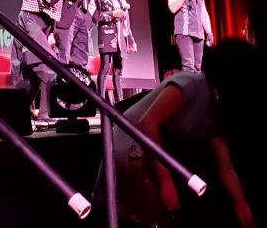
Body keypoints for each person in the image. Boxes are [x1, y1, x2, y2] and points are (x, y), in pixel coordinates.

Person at [108, 39, 257, 228]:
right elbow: (147, 122)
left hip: (153, 151)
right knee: (149, 212)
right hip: (132, 143)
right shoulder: (192, 84)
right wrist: (165, 180)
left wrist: (240, 203)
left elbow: (225, 165)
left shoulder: (219, 105)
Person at [10, 0, 80, 120]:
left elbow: (55, 11)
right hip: (30, 20)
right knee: (47, 62)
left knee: (35, 70)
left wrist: (51, 32)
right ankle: (51, 108)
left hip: (45, 25)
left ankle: (36, 112)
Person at [95, 0, 136, 103]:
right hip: (106, 33)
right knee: (105, 67)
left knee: (119, 69)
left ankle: (120, 103)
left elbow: (126, 18)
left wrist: (130, 39)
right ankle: (100, 101)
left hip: (121, 36)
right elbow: (95, 16)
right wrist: (112, 14)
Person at [166, 0, 214, 72]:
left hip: (199, 33)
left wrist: (209, 33)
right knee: (188, 67)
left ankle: (195, 90)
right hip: (184, 32)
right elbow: (173, 8)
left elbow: (203, 12)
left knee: (197, 69)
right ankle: (187, 89)